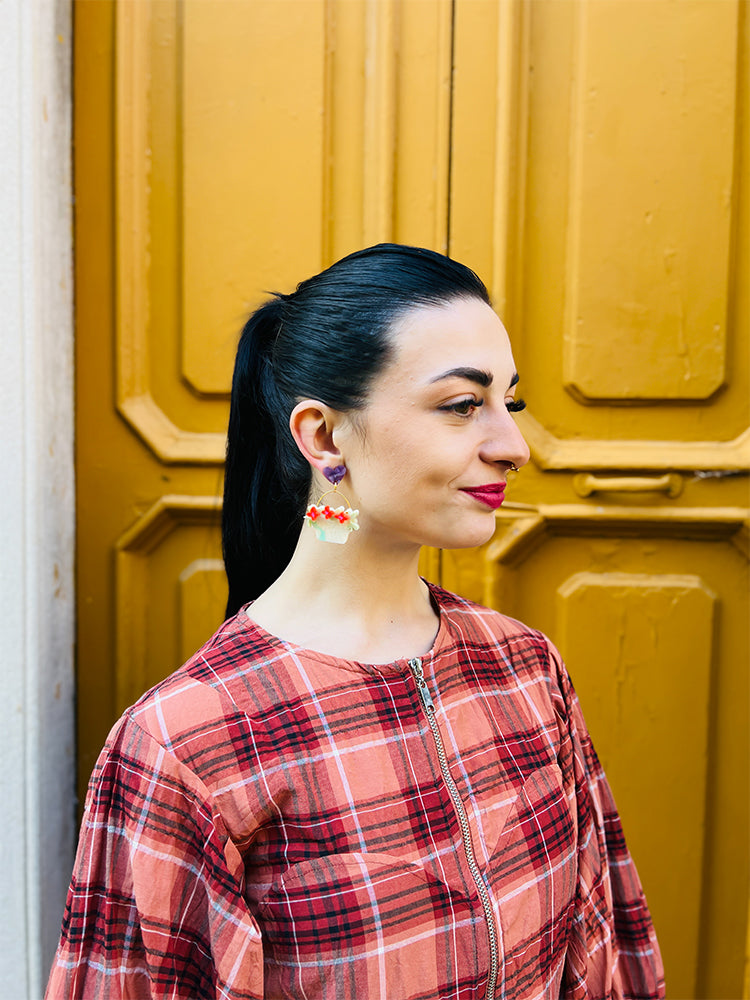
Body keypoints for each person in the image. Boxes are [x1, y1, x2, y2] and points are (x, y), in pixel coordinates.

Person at [47, 244, 664, 999]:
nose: (513, 446)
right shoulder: (185, 745)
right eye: (464, 405)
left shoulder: (527, 668)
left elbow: (605, 951)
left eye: (512, 403)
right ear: (325, 438)